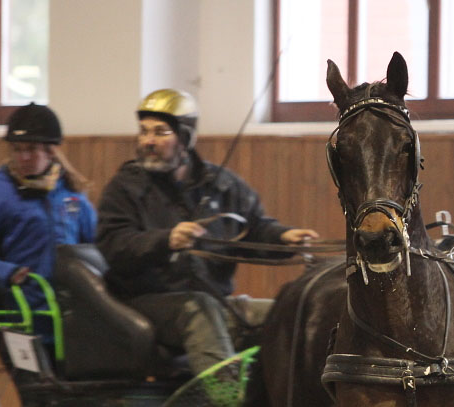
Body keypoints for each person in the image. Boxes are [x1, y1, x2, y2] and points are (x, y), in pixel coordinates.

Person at [96, 88, 318, 380]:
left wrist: (283, 237)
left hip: (216, 303)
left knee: (296, 311)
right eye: (144, 132)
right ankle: (229, 404)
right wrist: (166, 240)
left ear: (185, 136)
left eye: (160, 132)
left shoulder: (221, 185)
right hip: (147, 305)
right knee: (198, 310)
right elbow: (113, 245)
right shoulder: (124, 189)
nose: (148, 141)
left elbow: (252, 227)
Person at [0, 102, 98, 407]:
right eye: (18, 150)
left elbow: (95, 248)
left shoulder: (73, 199)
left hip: (67, 323)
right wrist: (6, 273)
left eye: (32, 149)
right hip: (18, 321)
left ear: (51, 151)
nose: (24, 157)